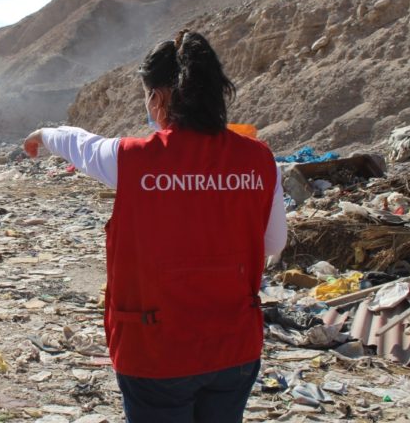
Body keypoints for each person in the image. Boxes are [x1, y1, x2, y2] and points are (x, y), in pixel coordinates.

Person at [22, 30, 287, 423]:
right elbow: (273, 242)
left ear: (159, 98)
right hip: (234, 346)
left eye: (148, 96)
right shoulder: (260, 160)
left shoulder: (133, 160)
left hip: (156, 350)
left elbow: (82, 144)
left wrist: (43, 134)